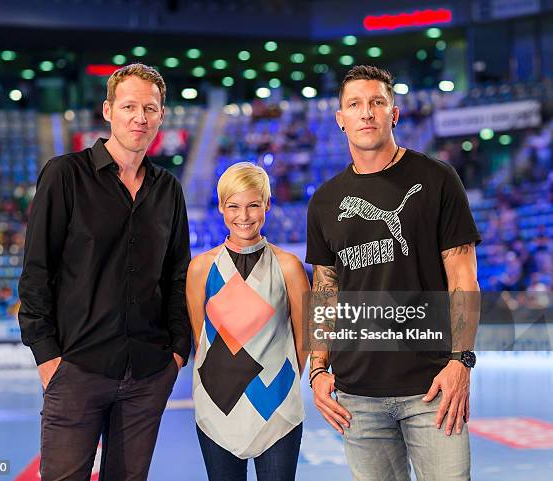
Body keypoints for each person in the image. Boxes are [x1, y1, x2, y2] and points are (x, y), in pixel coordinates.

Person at [306, 65, 481, 481]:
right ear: (340, 119)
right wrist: (317, 368)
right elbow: (325, 291)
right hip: (357, 395)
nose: (366, 112)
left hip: (432, 387)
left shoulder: (438, 179)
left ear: (394, 113)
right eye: (355, 104)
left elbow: (463, 276)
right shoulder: (326, 201)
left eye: (376, 102)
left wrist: (461, 361)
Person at [18, 63, 191, 481]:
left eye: (150, 108)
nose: (140, 117)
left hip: (149, 370)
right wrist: (48, 358)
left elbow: (177, 275)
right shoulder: (65, 175)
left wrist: (177, 351)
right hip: (76, 369)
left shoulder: (168, 189)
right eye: (129, 106)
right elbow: (37, 271)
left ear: (162, 116)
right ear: (108, 111)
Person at [187, 162, 309, 481]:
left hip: (277, 405)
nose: (244, 216)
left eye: (253, 205)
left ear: (267, 204)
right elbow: (201, 336)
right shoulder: (201, 268)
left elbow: (304, 338)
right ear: (222, 208)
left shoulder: (289, 267)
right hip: (217, 405)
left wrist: (281, 379)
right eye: (234, 206)